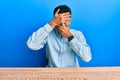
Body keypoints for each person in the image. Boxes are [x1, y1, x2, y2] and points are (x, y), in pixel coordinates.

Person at [27, 5, 92, 67]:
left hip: (71, 73)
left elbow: (87, 58)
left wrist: (70, 37)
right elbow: (31, 45)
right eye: (60, 21)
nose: (63, 24)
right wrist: (51, 23)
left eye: (66, 20)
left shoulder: (78, 34)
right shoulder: (48, 34)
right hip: (52, 74)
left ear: (70, 20)